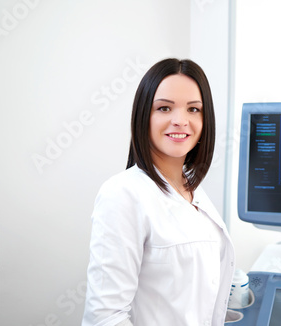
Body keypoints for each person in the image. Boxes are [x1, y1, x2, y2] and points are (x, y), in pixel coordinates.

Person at [82, 58, 235, 326]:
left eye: (193, 109)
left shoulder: (192, 189)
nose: (180, 121)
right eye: (164, 108)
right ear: (144, 116)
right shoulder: (122, 194)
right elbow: (105, 318)